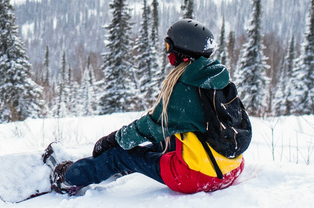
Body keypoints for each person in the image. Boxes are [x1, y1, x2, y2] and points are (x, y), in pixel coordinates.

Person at [50, 18, 244, 195]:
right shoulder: (218, 81)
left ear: (182, 53)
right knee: (163, 143)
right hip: (231, 169)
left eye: (169, 46)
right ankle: (125, 165)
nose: (168, 52)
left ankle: (68, 178)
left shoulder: (186, 89)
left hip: (197, 177)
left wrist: (113, 140)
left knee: (119, 155)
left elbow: (150, 126)